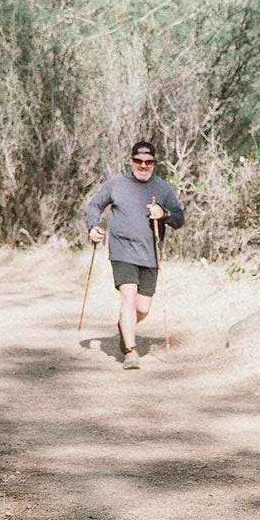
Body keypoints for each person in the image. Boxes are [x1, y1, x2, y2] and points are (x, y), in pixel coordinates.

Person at [86, 141, 184, 369]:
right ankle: (131, 351)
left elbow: (179, 219)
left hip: (150, 254)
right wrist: (93, 227)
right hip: (122, 251)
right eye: (138, 161)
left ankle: (124, 325)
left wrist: (164, 213)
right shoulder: (116, 184)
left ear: (153, 163)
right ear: (131, 161)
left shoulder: (163, 188)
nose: (143, 166)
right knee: (128, 298)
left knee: (143, 308)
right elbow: (95, 205)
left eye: (148, 162)